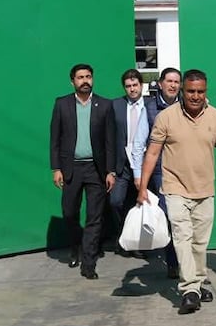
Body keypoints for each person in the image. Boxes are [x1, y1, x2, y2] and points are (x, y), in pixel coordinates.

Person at [137, 69, 216, 314]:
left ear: (206, 91)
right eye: (191, 91)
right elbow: (152, 153)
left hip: (205, 189)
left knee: (199, 243)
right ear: (182, 90)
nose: (195, 96)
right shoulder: (166, 117)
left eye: (200, 91)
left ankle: (199, 281)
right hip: (174, 188)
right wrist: (142, 187)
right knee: (182, 238)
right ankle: (189, 290)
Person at [50, 63, 117, 280]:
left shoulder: (105, 105)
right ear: (73, 82)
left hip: (96, 169)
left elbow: (110, 141)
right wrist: (56, 168)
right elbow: (55, 139)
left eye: (88, 76)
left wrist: (110, 171)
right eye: (80, 77)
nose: (85, 80)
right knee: (69, 212)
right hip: (71, 168)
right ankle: (76, 246)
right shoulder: (62, 104)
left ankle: (88, 263)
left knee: (94, 217)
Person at [144, 67, 183, 279]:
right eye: (169, 81)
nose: (173, 85)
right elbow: (141, 141)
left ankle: (189, 261)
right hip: (161, 169)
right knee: (170, 216)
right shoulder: (148, 107)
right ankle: (173, 262)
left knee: (188, 218)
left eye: (176, 82)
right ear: (160, 84)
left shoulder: (187, 105)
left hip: (185, 168)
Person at [110, 69, 150, 234]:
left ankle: (145, 240)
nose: (132, 89)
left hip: (147, 161)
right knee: (115, 201)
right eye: (128, 86)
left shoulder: (151, 104)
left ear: (141, 85)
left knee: (146, 201)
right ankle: (123, 235)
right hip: (123, 162)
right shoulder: (115, 105)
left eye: (135, 85)